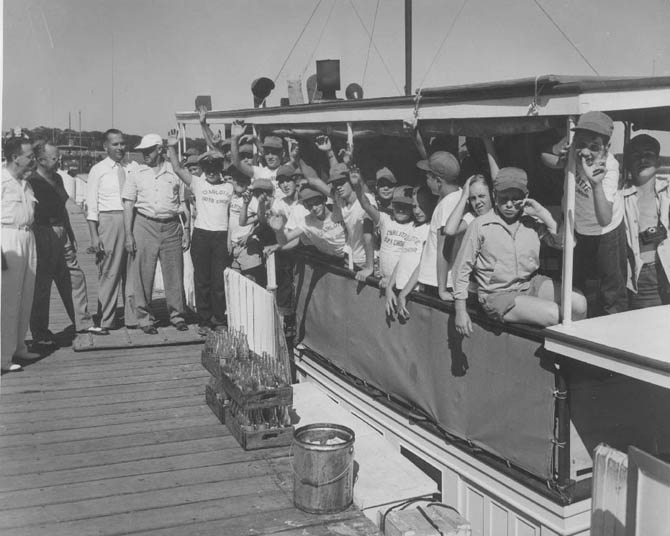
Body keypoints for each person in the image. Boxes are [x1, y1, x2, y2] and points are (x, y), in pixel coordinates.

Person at [453, 167, 587, 336]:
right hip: (497, 294)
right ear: (494, 195)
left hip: (529, 284)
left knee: (579, 303)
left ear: (525, 197)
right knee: (555, 314)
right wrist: (460, 310)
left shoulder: (531, 221)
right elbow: (461, 268)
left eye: (515, 198)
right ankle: (558, 357)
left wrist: (544, 215)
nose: (509, 204)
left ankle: (574, 356)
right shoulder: (480, 225)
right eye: (503, 198)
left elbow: (566, 245)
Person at [543, 111, 627, 316]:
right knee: (575, 285)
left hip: (606, 232)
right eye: (582, 143)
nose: (586, 152)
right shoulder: (574, 150)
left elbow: (604, 218)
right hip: (576, 228)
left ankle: (613, 333)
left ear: (606, 148)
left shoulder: (609, 168)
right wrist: (559, 148)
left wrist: (595, 184)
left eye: (594, 147)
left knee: (611, 292)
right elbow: (546, 158)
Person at [28, 141, 98, 347]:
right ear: (41, 160)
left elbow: (63, 208)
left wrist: (71, 233)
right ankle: (40, 332)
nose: (59, 160)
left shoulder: (57, 178)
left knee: (75, 275)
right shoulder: (32, 181)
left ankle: (83, 322)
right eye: (54, 157)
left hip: (61, 232)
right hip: (42, 232)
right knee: (42, 283)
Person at [122, 133, 190, 334]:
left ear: (160, 149)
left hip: (171, 226)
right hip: (144, 224)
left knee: (175, 272)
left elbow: (184, 204)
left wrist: (186, 230)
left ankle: (177, 315)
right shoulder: (136, 172)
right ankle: (145, 318)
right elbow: (128, 204)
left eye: (149, 150)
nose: (145, 155)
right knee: (143, 274)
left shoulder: (175, 171)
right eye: (143, 151)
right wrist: (129, 234)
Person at [167, 131, 233, 334]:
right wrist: (171, 146)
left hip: (221, 236)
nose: (211, 172)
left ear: (220, 168)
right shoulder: (198, 183)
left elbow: (231, 217)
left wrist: (229, 240)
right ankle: (204, 320)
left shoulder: (229, 187)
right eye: (207, 168)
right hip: (202, 235)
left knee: (218, 282)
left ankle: (219, 319)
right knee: (202, 280)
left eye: (215, 168)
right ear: (203, 170)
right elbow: (177, 168)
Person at [86, 129, 138, 332]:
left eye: (123, 143)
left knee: (132, 271)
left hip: (132, 219)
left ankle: (132, 319)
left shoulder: (132, 167)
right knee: (109, 271)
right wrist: (93, 235)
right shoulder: (97, 170)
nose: (120, 148)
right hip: (109, 220)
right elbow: (91, 206)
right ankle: (106, 319)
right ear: (105, 147)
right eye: (115, 144)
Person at [398, 151, 462, 311]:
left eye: (428, 176)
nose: (426, 180)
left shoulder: (448, 204)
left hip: (438, 285)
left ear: (438, 181)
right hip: (436, 282)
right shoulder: (455, 196)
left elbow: (442, 249)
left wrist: (441, 289)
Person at [2, 138, 40, 372]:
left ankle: (18, 347)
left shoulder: (25, 183)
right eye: (29, 156)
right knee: (6, 300)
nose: (33, 160)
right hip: (7, 239)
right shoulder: (2, 181)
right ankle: (2, 357)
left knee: (25, 297)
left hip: (28, 237)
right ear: (15, 157)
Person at [623, 134, 670, 309]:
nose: (642, 159)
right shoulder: (619, 198)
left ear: (658, 161)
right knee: (649, 330)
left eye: (648, 154)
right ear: (628, 164)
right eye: (636, 156)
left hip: (667, 270)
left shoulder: (668, 191)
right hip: (642, 279)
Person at [350, 171, 414, 286]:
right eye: (398, 206)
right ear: (393, 205)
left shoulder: (415, 227)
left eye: (406, 207)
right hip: (382, 277)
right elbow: (366, 205)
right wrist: (357, 186)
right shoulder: (386, 219)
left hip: (402, 281)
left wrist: (394, 279)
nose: (401, 210)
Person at [385, 186, 437, 319]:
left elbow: (423, 264)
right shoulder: (414, 227)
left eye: (422, 206)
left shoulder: (430, 229)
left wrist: (404, 293)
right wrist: (390, 287)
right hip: (401, 289)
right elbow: (402, 259)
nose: (418, 211)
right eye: (414, 206)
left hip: (415, 293)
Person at [267, 186, 347, 260]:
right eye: (309, 205)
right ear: (305, 206)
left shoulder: (339, 210)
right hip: (331, 259)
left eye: (316, 203)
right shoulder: (307, 221)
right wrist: (279, 231)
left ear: (324, 200)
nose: (314, 208)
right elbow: (284, 241)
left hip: (350, 256)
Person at [327, 163, 376, 280]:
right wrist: (329, 153)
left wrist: (369, 267)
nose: (338, 187)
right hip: (351, 259)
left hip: (367, 262)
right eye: (335, 184)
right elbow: (316, 182)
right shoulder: (340, 199)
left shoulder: (367, 200)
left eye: (341, 182)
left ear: (351, 181)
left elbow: (369, 236)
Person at [228, 169, 266, 284]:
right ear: (232, 181)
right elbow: (229, 221)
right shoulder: (232, 198)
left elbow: (262, 220)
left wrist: (250, 235)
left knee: (251, 281)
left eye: (243, 181)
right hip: (233, 246)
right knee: (235, 283)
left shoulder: (252, 200)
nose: (239, 183)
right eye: (236, 180)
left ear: (248, 183)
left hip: (247, 246)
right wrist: (228, 242)